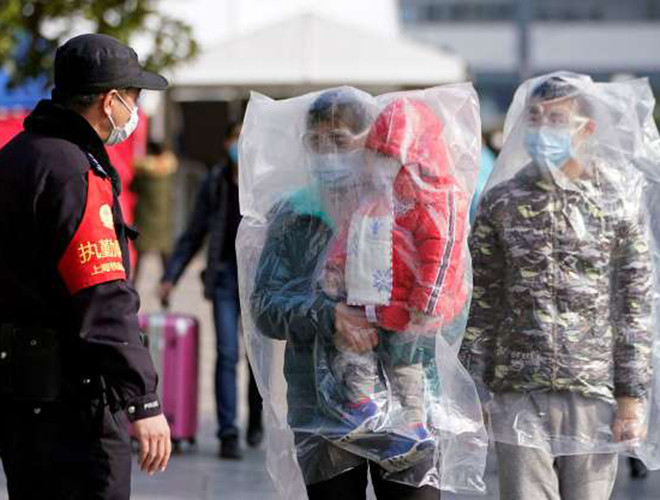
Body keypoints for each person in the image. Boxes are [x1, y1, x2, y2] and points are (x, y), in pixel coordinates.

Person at [251, 89, 459, 500]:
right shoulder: (295, 215)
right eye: (316, 143)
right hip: (322, 410)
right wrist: (330, 316)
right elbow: (264, 306)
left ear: (371, 141)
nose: (328, 154)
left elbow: (453, 298)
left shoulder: (413, 205)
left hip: (408, 409)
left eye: (339, 141)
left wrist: (409, 319)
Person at [460, 74, 653, 500]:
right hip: (516, 385)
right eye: (535, 118)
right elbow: (483, 299)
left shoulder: (616, 202)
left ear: (587, 128)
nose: (543, 129)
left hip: (592, 390)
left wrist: (632, 397)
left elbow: (634, 305)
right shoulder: (502, 201)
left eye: (556, 119)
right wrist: (474, 387)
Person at [0, 33, 171, 499]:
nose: (135, 112)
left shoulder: (15, 156)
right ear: (109, 100)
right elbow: (102, 293)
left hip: (20, 395)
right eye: (133, 98)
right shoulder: (75, 171)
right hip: (75, 404)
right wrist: (143, 399)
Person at [319, 98, 471, 471]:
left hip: (408, 312)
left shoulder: (433, 199)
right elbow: (352, 236)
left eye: (390, 157)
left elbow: (442, 251)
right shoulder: (375, 199)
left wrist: (428, 300)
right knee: (354, 352)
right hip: (369, 303)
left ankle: (413, 423)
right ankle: (364, 407)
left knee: (406, 367)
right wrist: (336, 268)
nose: (382, 165)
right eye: (377, 156)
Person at [159, 122, 263, 459]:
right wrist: (171, 276)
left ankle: (255, 417)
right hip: (224, 278)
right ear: (226, 142)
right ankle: (228, 432)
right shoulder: (216, 182)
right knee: (227, 353)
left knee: (256, 358)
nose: (239, 145)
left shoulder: (264, 181)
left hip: (258, 282)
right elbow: (194, 232)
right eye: (235, 138)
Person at [131, 140, 178, 281]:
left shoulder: (143, 172)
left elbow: (132, 187)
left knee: (140, 255)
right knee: (165, 255)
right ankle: (167, 282)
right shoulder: (169, 171)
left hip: (145, 220)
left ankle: (134, 283)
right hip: (163, 220)